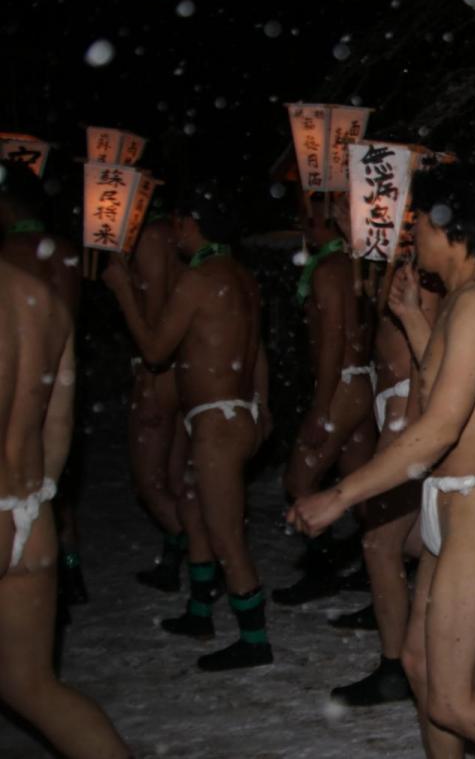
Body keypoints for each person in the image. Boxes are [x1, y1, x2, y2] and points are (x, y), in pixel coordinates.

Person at [290, 164, 475, 758]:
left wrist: (339, 496)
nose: (412, 232)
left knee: (453, 701)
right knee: (417, 664)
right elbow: (444, 390)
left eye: (419, 220)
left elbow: (438, 429)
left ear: (452, 227)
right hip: (451, 508)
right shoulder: (465, 298)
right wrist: (415, 322)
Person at [104, 192, 273, 671]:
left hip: (218, 421)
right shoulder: (241, 276)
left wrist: (121, 290)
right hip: (230, 413)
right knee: (198, 512)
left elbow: (156, 350)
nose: (173, 230)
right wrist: (263, 405)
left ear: (194, 225)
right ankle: (200, 611)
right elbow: (256, 347)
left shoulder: (198, 278)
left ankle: (255, 639)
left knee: (225, 534)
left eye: (178, 222)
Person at [0, 239, 129, 759]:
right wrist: (29, 502)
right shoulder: (42, 299)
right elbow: (58, 426)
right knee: (32, 686)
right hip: (31, 516)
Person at [329, 247, 438, 707]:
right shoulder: (390, 255)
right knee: (419, 539)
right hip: (393, 402)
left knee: (380, 542)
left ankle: (395, 667)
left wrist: (411, 423)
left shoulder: (427, 264)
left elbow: (426, 351)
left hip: (408, 406)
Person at [276, 194, 378, 605]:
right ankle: (377, 567)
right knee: (361, 488)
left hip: (342, 386)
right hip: (359, 381)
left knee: (298, 481)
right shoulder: (353, 266)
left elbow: (333, 339)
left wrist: (321, 406)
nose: (305, 229)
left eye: (312, 222)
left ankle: (322, 568)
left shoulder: (330, 270)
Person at [0, 160, 88, 607]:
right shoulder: (66, 253)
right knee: (55, 486)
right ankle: (68, 569)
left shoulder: (10, 260)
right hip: (52, 378)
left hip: (20, 385)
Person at [126, 209, 192, 592]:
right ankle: (176, 560)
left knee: (150, 483)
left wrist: (149, 384)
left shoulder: (153, 238)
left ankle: (203, 548)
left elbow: (154, 318)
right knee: (173, 478)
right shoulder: (174, 236)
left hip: (161, 369)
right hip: (185, 370)